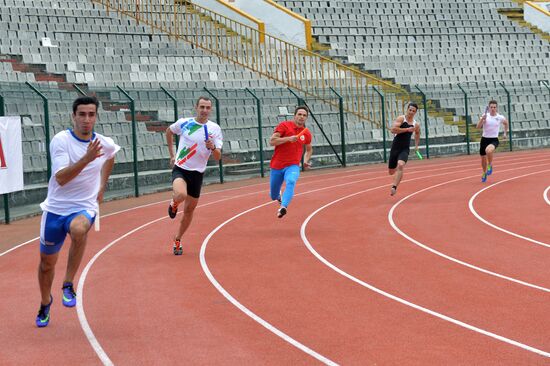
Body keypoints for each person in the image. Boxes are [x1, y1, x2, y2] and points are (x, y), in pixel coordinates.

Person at [36, 96, 120, 327]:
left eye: (91, 115)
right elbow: (61, 178)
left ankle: (68, 283)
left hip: (83, 206)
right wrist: (87, 158)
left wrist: (102, 186)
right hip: (55, 209)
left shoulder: (104, 143)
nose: (86, 119)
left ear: (96, 117)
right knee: (46, 265)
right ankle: (45, 302)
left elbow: (111, 156)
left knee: (79, 228)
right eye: (82, 114)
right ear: (73, 116)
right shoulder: (61, 141)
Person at [166, 96, 222, 255]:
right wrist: (171, 154)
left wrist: (212, 147)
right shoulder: (185, 123)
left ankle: (177, 239)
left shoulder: (214, 129)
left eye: (207, 108)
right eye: (202, 107)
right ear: (196, 108)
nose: (204, 110)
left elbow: (218, 157)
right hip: (181, 168)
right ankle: (174, 202)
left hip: (197, 174)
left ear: (210, 110)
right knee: (181, 194)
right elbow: (168, 131)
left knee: (189, 211)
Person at [269, 105, 313, 218]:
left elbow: (309, 149)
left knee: (291, 181)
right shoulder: (284, 126)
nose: (301, 117)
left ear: (306, 118)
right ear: (294, 116)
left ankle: (283, 207)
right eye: (299, 114)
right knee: (273, 195)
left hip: (293, 165)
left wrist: (305, 160)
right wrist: (288, 139)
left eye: (304, 115)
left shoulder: (306, 133)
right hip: (277, 166)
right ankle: (278, 196)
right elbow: (272, 141)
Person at [388, 102, 421, 196]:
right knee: (391, 172)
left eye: (413, 111)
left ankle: (394, 187)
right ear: (407, 109)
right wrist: (407, 130)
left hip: (405, 149)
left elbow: (418, 133)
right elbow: (393, 130)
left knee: (401, 165)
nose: (411, 112)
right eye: (410, 110)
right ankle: (396, 174)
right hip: (395, 148)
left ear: (415, 113)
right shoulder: (401, 119)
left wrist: (416, 146)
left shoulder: (415, 124)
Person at [476, 100, 509, 182]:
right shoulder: (485, 116)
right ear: (489, 108)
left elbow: (506, 123)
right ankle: (484, 172)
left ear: (496, 108)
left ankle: (490, 164)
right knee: (483, 159)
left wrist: (505, 133)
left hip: (494, 139)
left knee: (489, 150)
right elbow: (478, 127)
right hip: (484, 139)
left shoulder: (500, 117)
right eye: (491, 107)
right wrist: (482, 120)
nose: (493, 109)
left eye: (494, 107)